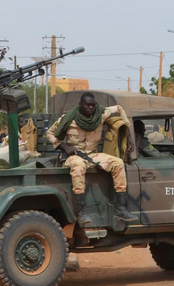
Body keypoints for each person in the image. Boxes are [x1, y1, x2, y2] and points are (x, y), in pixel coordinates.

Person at [46, 92, 136, 225]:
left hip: (93, 154)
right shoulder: (69, 118)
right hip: (74, 155)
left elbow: (118, 108)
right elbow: (49, 133)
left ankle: (121, 208)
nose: (91, 108)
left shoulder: (100, 114)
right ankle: (81, 211)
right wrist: (64, 146)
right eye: (87, 105)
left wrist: (129, 137)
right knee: (79, 165)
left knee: (118, 163)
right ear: (80, 105)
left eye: (93, 105)